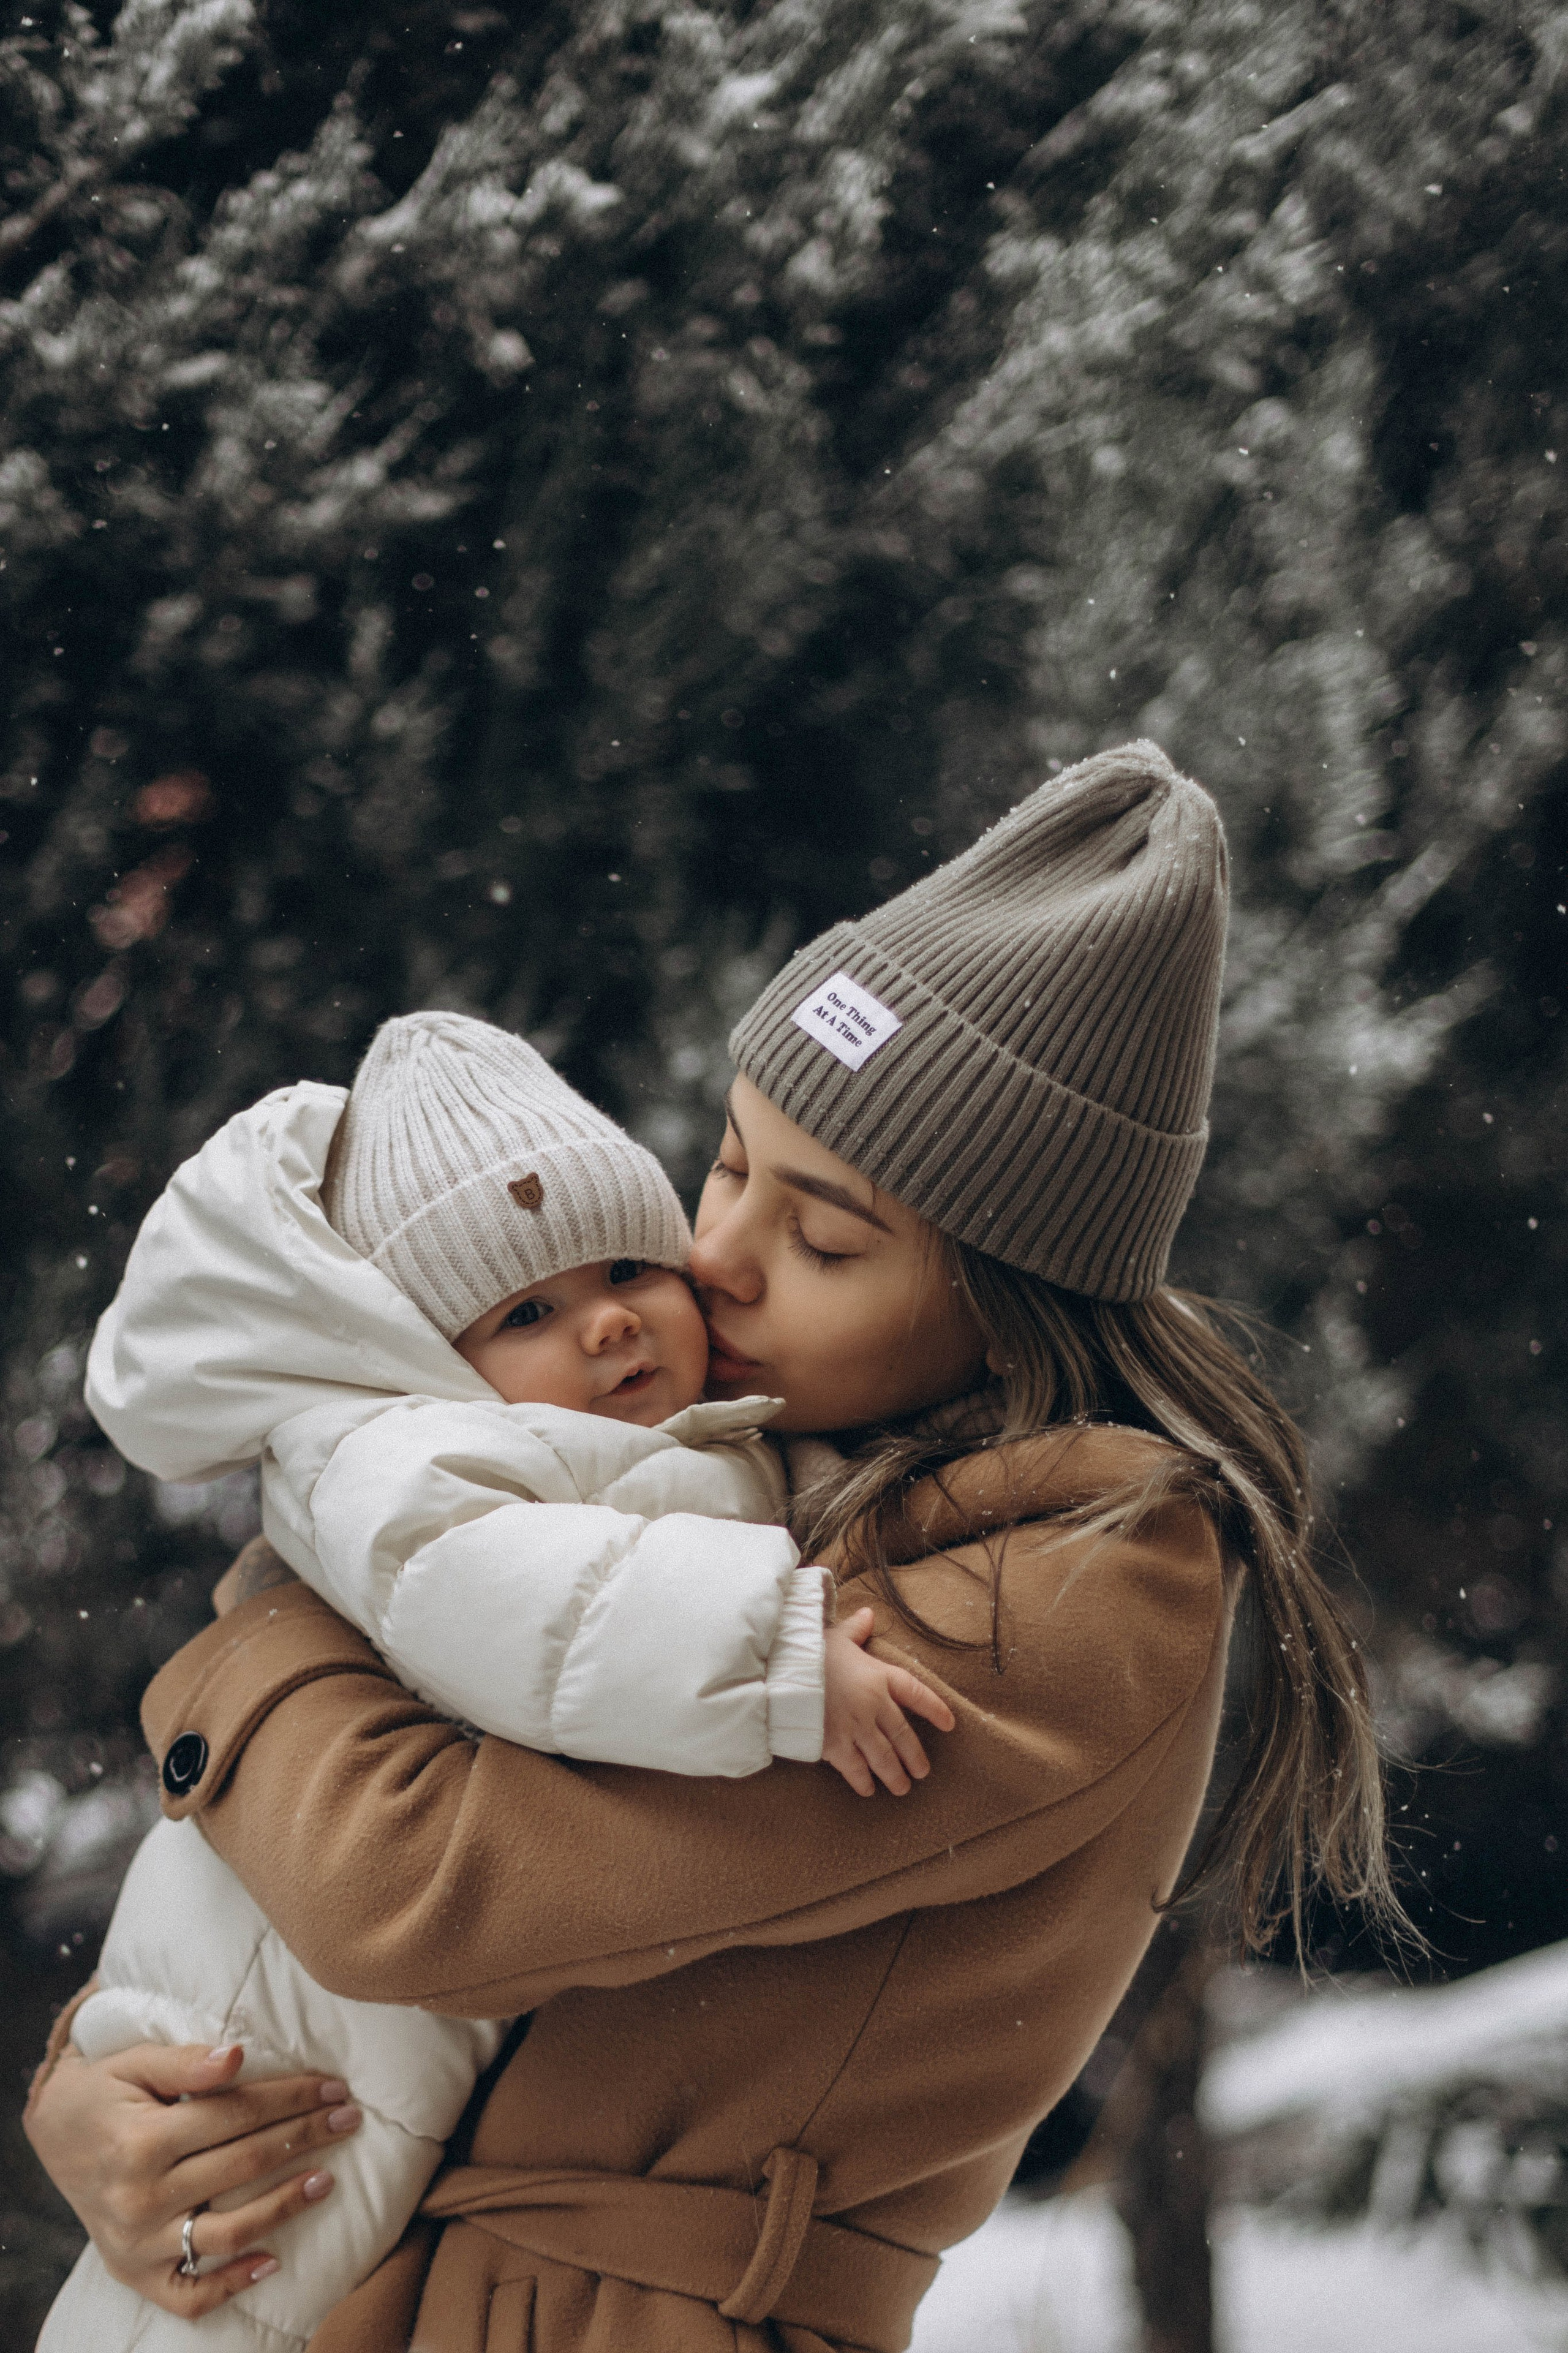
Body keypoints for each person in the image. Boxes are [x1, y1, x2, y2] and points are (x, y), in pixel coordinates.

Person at [26, 742, 1400, 2353]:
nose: (714, 1255)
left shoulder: (1075, 1601)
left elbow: (412, 1881)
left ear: (1007, 1306)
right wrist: (113, 2093)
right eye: (729, 1162)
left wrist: (256, 1624)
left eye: (824, 1235)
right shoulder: (725, 1485)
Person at [39, 1013, 948, 2353]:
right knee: (224, 2276)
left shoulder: (694, 1447)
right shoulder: (420, 1455)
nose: (606, 1325)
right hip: (267, 2027)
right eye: (527, 1310)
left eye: (632, 1266)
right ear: (438, 1356)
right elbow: (498, 1596)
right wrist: (770, 1650)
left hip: (403, 2063)